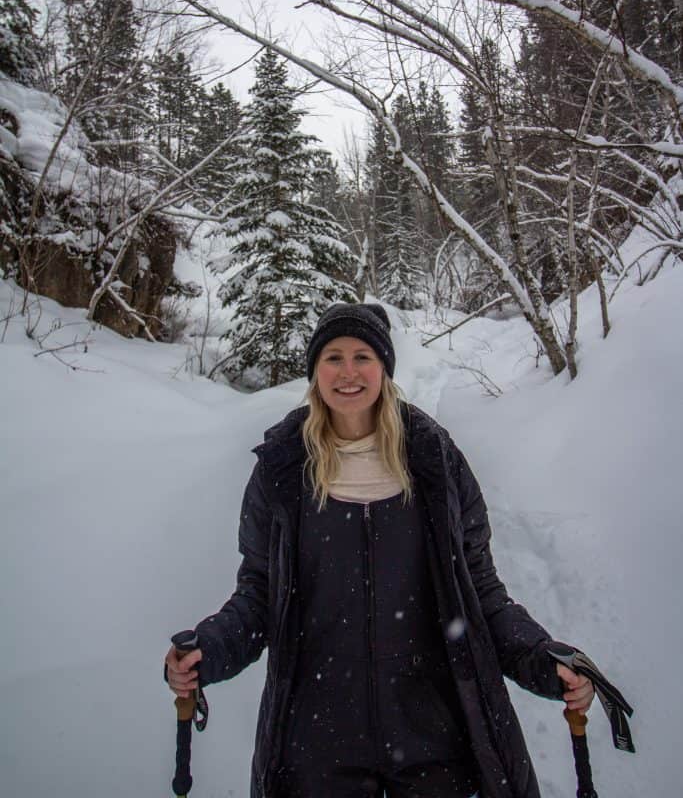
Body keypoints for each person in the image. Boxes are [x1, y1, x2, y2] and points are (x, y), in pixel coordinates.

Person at [165, 303, 594, 798]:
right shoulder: (283, 469)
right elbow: (259, 593)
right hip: (317, 739)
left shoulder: (434, 460)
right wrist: (207, 651)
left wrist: (542, 659)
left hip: (434, 730)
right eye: (333, 357)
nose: (348, 372)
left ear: (384, 368)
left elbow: (479, 592)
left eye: (362, 356)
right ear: (314, 371)